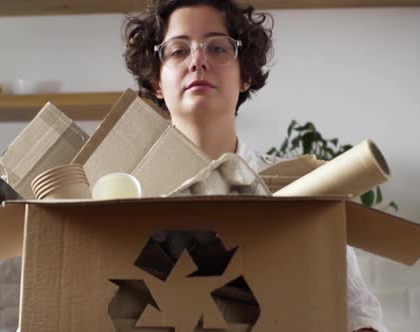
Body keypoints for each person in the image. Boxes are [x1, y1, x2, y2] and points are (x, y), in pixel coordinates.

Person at [124, 1, 387, 331]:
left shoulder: (302, 189)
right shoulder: (121, 193)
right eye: (178, 51)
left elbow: (357, 312)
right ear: (156, 82)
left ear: (245, 75)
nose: (197, 60)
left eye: (217, 47)